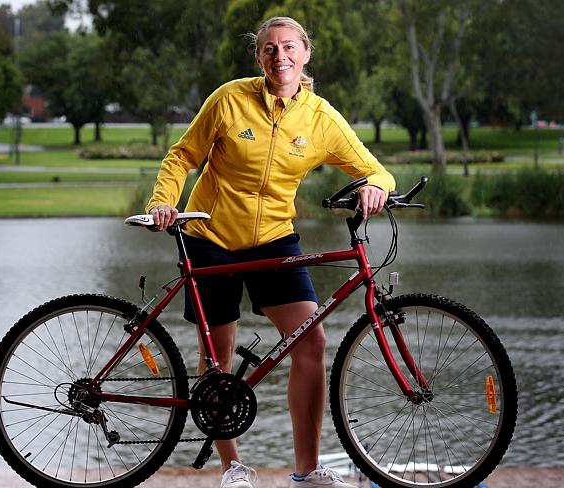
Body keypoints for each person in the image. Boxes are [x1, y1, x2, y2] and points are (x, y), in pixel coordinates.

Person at [146, 16, 395, 488]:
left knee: (312, 342)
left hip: (276, 240)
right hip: (210, 237)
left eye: (288, 48)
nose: (279, 56)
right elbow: (182, 155)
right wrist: (164, 200)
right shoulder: (229, 99)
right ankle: (231, 467)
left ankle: (307, 470)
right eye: (269, 49)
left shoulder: (320, 118)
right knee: (216, 357)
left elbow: (373, 168)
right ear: (259, 57)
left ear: (305, 54)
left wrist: (376, 188)